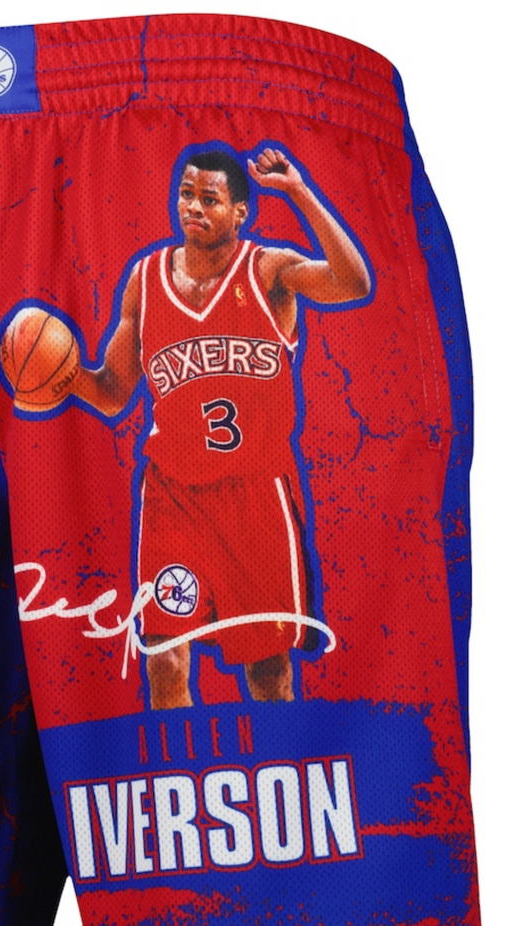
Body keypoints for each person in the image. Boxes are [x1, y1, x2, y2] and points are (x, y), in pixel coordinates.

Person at [62, 148, 371, 708]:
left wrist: (299, 192)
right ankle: (178, 763)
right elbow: (111, 392)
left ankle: (278, 761)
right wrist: (60, 375)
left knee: (268, 673)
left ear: (240, 213)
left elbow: (353, 283)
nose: (194, 208)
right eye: (186, 194)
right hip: (173, 496)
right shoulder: (145, 280)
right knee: (164, 658)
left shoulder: (268, 271)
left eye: (210, 199)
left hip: (256, 497)